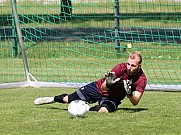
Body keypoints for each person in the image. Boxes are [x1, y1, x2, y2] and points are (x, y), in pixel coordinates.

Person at [34, 51, 147, 113]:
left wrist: (129, 93)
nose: (129, 67)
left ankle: (86, 108)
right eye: (128, 64)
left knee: (104, 111)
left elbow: (135, 102)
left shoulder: (142, 79)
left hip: (113, 98)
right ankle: (51, 99)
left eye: (133, 65)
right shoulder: (119, 68)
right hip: (97, 87)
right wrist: (108, 83)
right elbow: (103, 88)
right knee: (68, 99)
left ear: (139, 66)